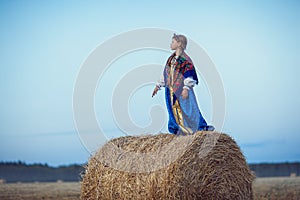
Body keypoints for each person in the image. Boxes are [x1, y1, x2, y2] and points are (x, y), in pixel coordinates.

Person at [152, 33, 215, 135]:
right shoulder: (171, 59)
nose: (170, 44)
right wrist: (158, 85)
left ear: (179, 43)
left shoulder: (185, 59)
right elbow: (165, 74)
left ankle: (200, 127)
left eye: (173, 42)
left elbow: (189, 74)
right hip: (170, 90)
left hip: (181, 89)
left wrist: (186, 88)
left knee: (189, 109)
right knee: (173, 110)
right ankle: (178, 129)